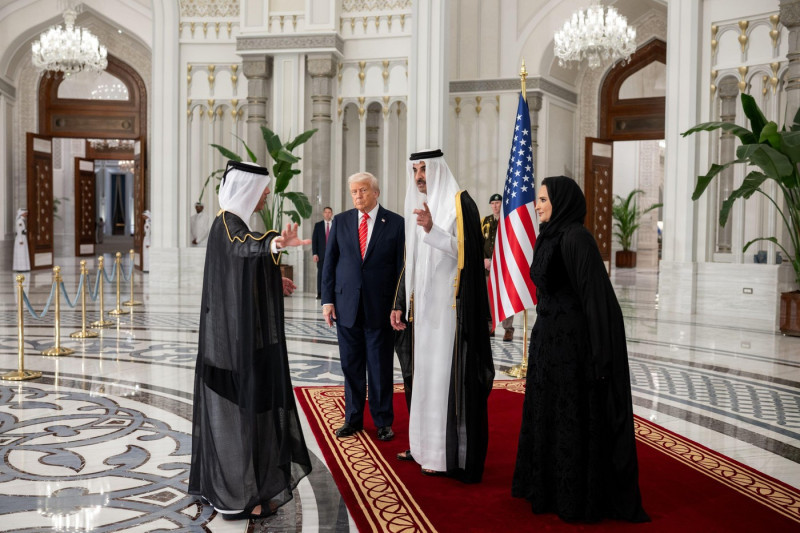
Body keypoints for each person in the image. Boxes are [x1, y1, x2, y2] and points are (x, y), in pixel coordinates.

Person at [512, 176, 649, 523]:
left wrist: (601, 357)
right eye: (539, 198)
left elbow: (596, 301)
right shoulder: (549, 235)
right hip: (547, 345)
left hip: (572, 349)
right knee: (548, 416)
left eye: (543, 199)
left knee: (569, 418)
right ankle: (547, 487)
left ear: (562, 201)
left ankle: (572, 495)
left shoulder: (576, 238)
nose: (538, 204)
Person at [189, 160, 312, 521]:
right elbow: (246, 249)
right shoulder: (229, 225)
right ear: (248, 190)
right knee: (242, 421)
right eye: (263, 190)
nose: (268, 195)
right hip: (233, 348)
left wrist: (274, 280)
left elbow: (241, 270)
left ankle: (248, 490)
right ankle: (240, 497)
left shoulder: (231, 223)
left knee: (251, 417)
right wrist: (275, 243)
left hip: (238, 340)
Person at [392, 149, 494, 482]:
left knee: (441, 382)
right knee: (422, 381)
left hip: (450, 313)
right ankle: (421, 447)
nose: (419, 175)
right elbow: (411, 262)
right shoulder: (418, 208)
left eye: (424, 169)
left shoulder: (459, 204)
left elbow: (469, 251)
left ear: (437, 169)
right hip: (422, 312)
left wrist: (434, 230)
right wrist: (400, 304)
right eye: (415, 169)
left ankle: (442, 454)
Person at [322, 172, 405, 442]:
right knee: (351, 366)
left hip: (380, 309)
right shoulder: (342, 221)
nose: (357, 196)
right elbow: (330, 262)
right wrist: (327, 300)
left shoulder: (395, 223)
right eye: (354, 192)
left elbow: (401, 269)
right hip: (346, 306)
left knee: (380, 367)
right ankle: (353, 419)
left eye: (363, 191)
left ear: (375, 192)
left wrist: (397, 304)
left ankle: (383, 421)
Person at [482, 193, 515, 341]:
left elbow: (511, 245)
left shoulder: (508, 221)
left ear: (502, 204)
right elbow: (480, 242)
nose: (495, 206)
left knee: (506, 298)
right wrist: (484, 259)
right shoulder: (485, 222)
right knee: (488, 299)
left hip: (504, 268)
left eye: (498, 203)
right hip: (487, 267)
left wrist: (493, 260)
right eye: (493, 203)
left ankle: (508, 329)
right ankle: (490, 327)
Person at [311, 206, 333, 299]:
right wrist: (315, 253)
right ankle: (320, 293)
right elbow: (314, 240)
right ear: (323, 214)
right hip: (321, 255)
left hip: (333, 254)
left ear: (331, 214)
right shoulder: (318, 225)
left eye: (329, 212)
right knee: (321, 274)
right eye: (326, 212)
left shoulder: (336, 224)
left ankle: (331, 293)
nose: (327, 214)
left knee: (332, 274)